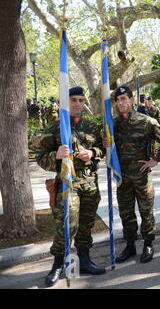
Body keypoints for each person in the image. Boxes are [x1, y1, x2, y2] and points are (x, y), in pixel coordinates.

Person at [35, 86, 106, 287]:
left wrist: (92, 153)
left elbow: (103, 147)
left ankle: (84, 260)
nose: (77, 104)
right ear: (66, 102)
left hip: (90, 184)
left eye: (80, 101)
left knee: (86, 225)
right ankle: (58, 264)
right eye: (73, 100)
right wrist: (54, 156)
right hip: (68, 184)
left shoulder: (91, 127)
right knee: (67, 226)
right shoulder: (55, 128)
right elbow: (39, 156)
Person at [108, 86, 160, 264]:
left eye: (124, 99)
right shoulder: (112, 124)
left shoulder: (146, 122)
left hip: (142, 177)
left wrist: (156, 159)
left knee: (146, 212)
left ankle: (148, 244)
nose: (121, 103)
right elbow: (104, 147)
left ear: (131, 100)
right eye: (118, 100)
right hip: (123, 178)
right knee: (126, 213)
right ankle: (130, 245)